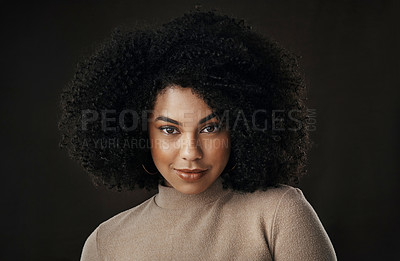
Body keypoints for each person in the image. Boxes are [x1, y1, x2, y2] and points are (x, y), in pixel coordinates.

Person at [59, 10, 337, 260]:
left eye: (210, 128)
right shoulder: (105, 243)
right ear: (139, 132)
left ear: (240, 129)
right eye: (169, 130)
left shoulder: (280, 215)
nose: (191, 152)